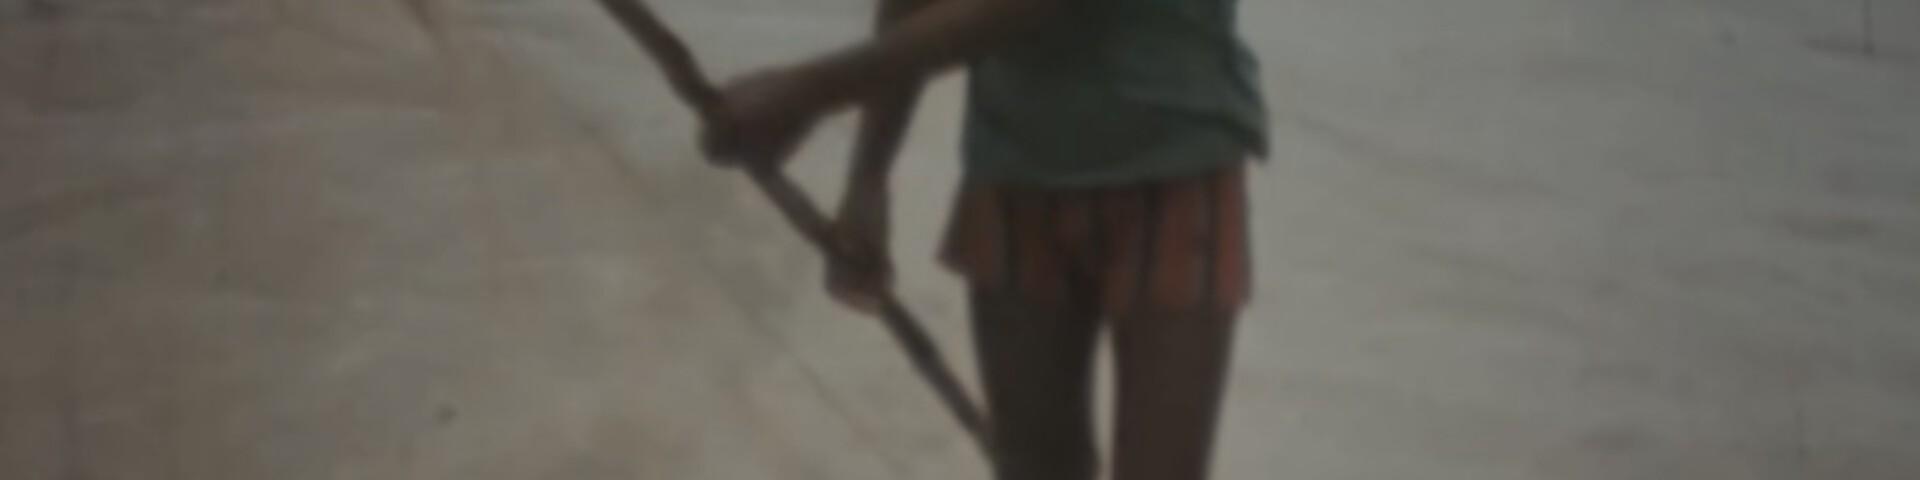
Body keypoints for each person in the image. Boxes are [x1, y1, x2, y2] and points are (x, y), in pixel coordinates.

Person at [701, 0, 1265, 478]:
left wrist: (809, 92)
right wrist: (868, 180)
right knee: (1033, 465)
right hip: (1015, 168)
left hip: (1175, 163)